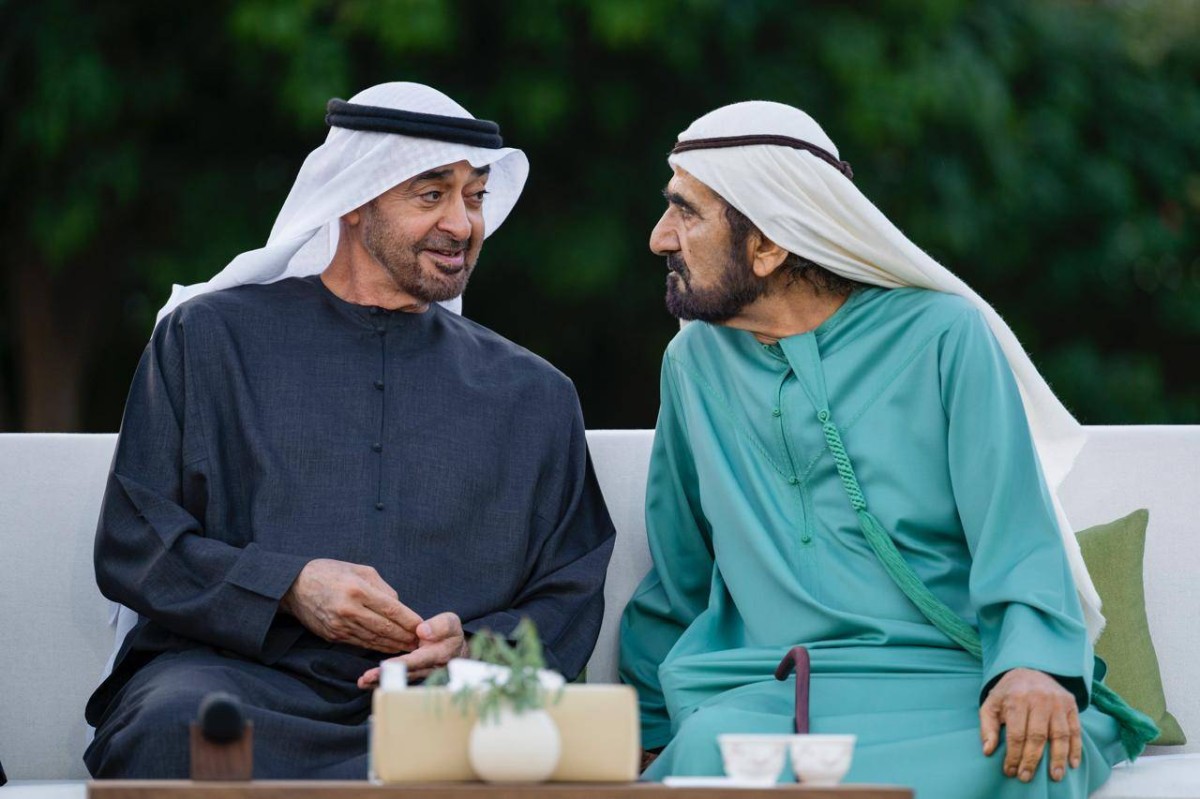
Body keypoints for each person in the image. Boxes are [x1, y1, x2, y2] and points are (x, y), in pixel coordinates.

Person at [618, 101, 1155, 798]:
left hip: (947, 678)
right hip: (770, 684)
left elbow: (1015, 531)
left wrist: (1031, 665)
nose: (660, 237)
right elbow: (678, 570)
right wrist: (640, 723)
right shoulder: (694, 363)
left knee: (1024, 754)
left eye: (686, 213)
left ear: (769, 245)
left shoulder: (943, 337)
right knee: (710, 751)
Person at [84, 82, 615, 779]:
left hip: (442, 705)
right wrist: (287, 586)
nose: (462, 224)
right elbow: (136, 542)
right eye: (432, 195)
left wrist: (472, 647)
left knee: (526, 749)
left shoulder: (535, 394)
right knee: (177, 729)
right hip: (242, 682)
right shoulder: (209, 341)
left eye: (475, 197)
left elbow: (570, 588)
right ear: (356, 199)